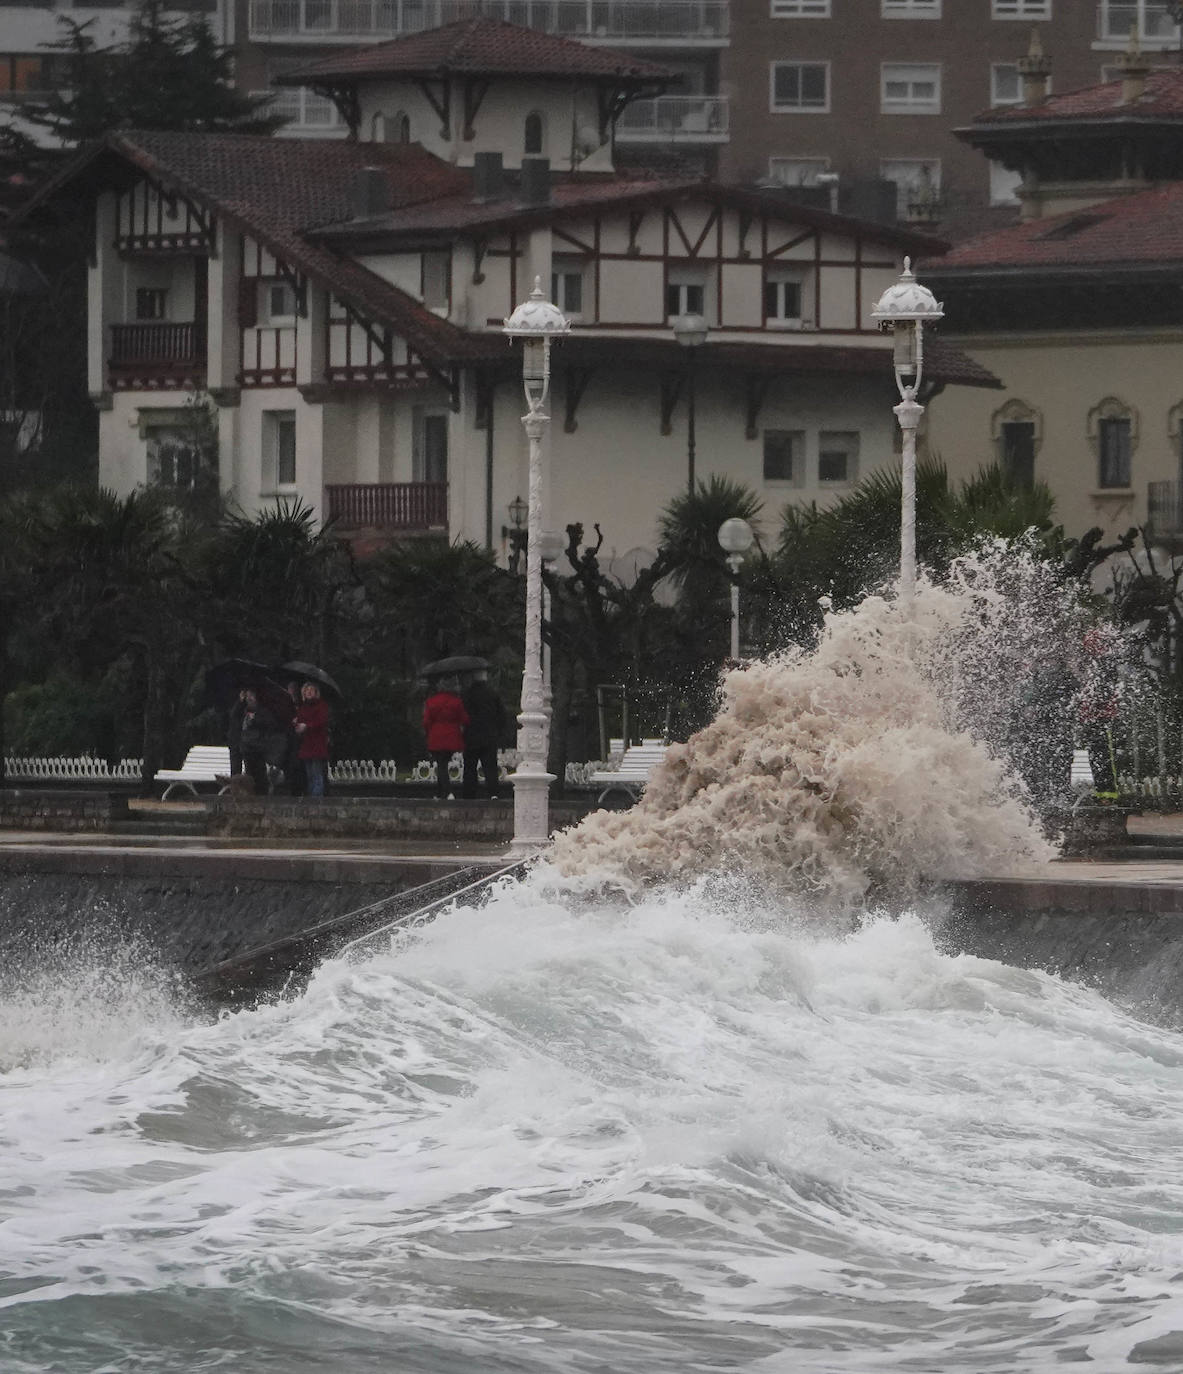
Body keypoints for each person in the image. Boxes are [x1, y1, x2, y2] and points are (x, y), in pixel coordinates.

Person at [461, 670, 507, 799]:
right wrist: (499, 731)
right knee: (490, 766)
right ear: (485, 678)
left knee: (470, 766)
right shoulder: (493, 694)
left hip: (471, 736)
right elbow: (502, 715)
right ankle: (493, 792)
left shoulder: (467, 694)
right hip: (489, 736)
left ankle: (469, 794)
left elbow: (462, 715)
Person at [422, 676, 468, 800]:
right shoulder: (456, 701)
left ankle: (447, 792)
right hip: (452, 737)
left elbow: (426, 721)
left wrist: (428, 733)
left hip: (436, 737)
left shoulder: (431, 702)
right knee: (443, 763)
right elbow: (464, 719)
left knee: (441, 764)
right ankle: (440, 792)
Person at [239, 687, 285, 796]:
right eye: (247, 696)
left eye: (251, 696)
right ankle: (252, 794)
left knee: (260, 774)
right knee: (249, 773)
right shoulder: (242, 710)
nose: (249, 698)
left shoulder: (263, 711)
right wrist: (240, 703)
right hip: (247, 747)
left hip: (259, 747)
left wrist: (254, 720)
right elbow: (234, 719)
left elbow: (270, 724)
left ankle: (262, 794)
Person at [293, 681, 331, 797]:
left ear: (316, 692)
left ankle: (317, 798)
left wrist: (307, 726)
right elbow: (300, 721)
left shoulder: (322, 705)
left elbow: (321, 721)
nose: (309, 692)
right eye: (306, 690)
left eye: (311, 690)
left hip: (317, 744)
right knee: (309, 775)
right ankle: (311, 798)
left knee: (317, 774)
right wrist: (296, 724)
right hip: (306, 744)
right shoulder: (303, 707)